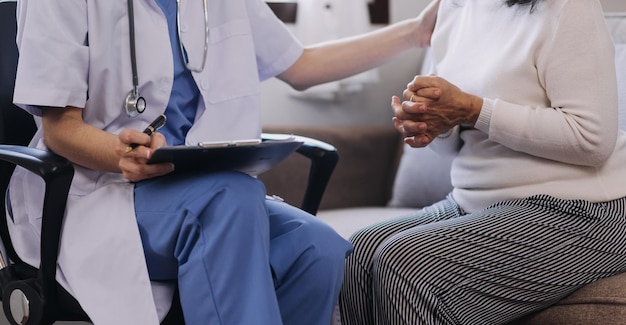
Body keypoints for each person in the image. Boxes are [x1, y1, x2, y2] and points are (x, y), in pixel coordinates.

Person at [7, 0, 441, 324]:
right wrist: (119, 155)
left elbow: (301, 65)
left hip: (202, 191)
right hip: (93, 192)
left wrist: (416, 33)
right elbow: (60, 128)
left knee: (317, 247)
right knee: (230, 199)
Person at [340, 0, 626, 324]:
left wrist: (475, 110)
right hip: (476, 202)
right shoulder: (454, 8)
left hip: (583, 208)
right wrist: (432, 124)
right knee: (357, 252)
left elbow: (592, 139)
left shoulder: (568, 7)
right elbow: (455, 143)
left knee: (405, 262)